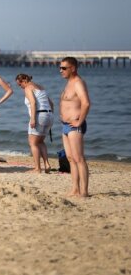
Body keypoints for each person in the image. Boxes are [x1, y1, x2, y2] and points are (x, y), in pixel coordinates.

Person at [59, 57, 91, 197]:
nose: (61, 70)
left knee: (79, 158)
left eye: (64, 68)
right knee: (71, 158)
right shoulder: (68, 83)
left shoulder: (78, 83)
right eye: (60, 68)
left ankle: (84, 191)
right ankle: (75, 189)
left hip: (74, 125)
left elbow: (86, 103)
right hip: (65, 125)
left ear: (73, 68)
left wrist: (79, 121)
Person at [16, 73, 54, 173]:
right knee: (40, 141)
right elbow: (51, 104)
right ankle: (47, 164)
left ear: (24, 81)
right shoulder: (40, 87)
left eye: (20, 85)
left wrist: (33, 119)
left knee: (33, 143)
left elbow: (33, 103)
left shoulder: (28, 88)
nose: (20, 87)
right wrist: (49, 116)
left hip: (39, 116)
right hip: (49, 115)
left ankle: (37, 168)